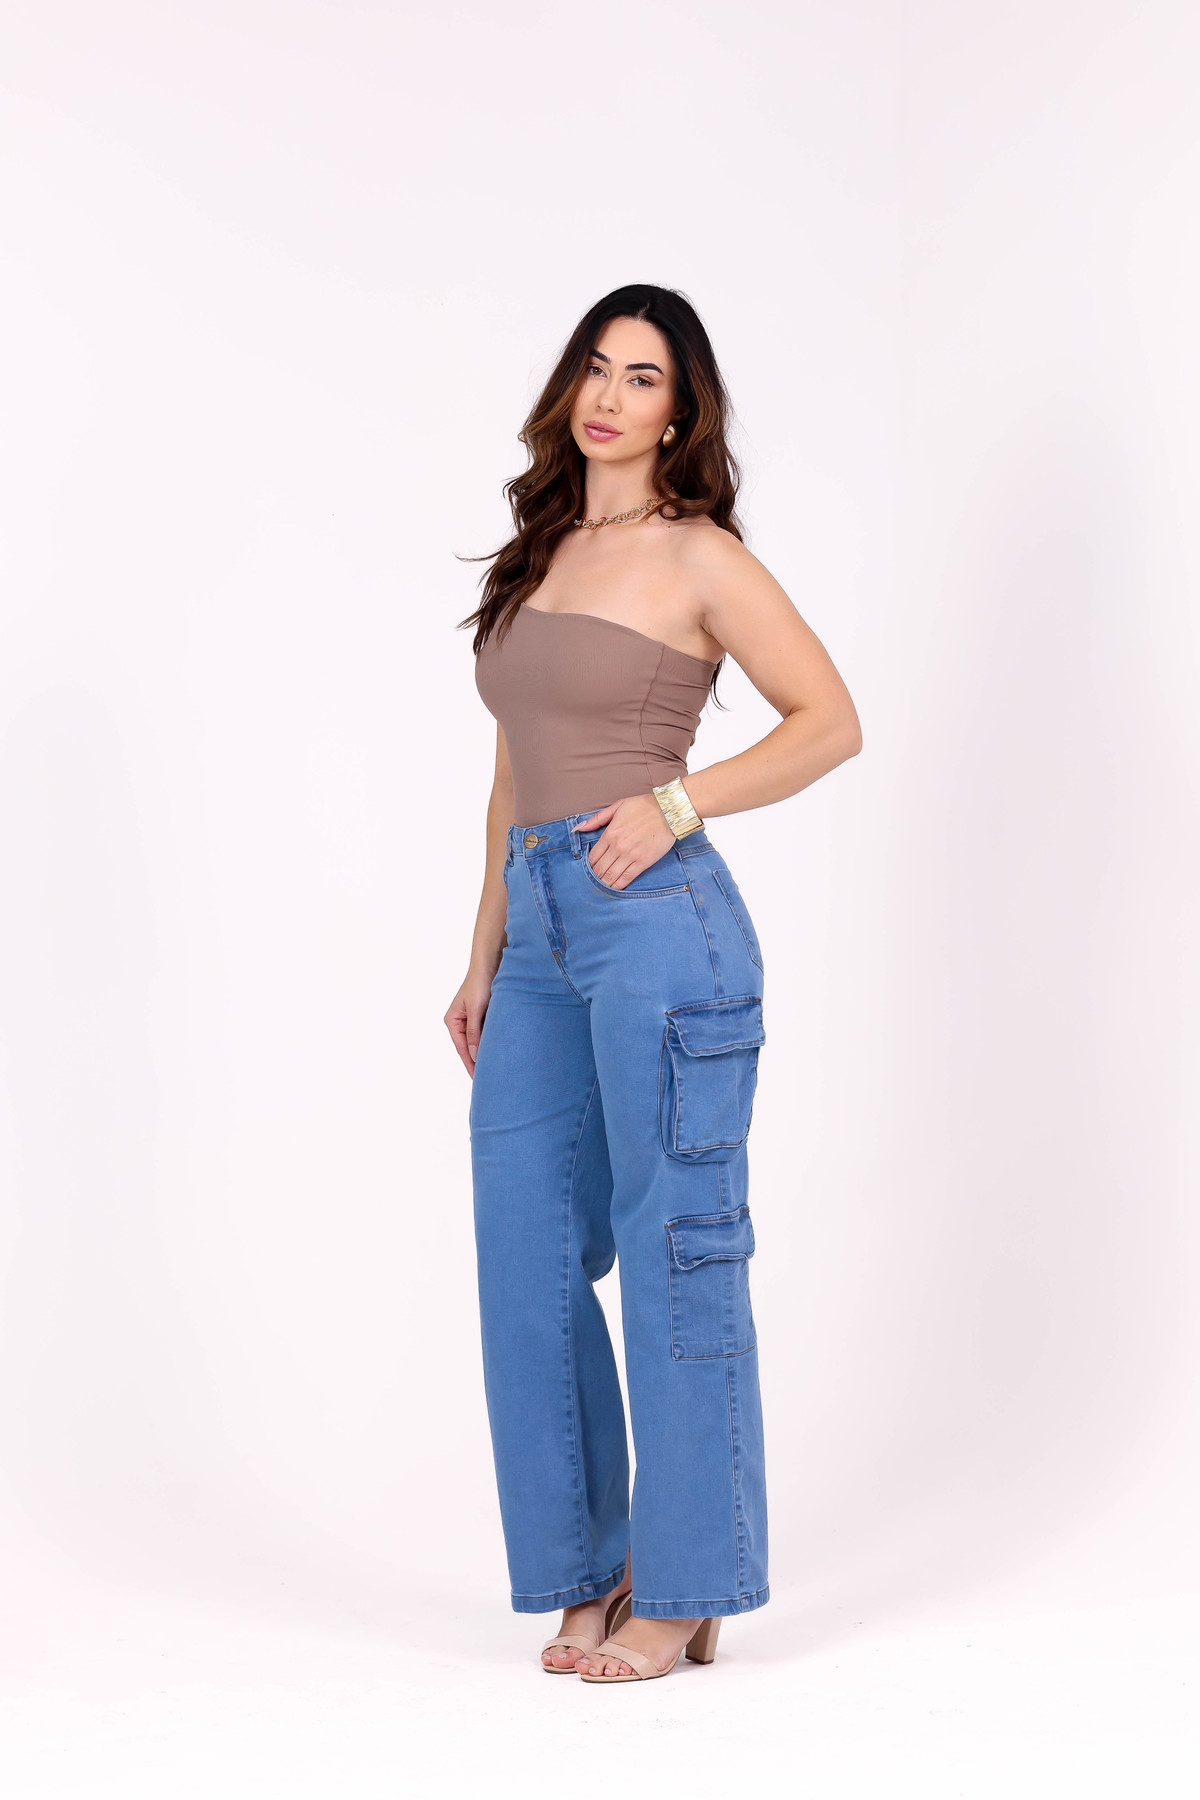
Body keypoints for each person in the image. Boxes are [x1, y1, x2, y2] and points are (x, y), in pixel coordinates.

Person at [446, 284, 862, 1683]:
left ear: (680, 413)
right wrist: (485, 948)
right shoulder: (543, 551)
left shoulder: (700, 555)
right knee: (526, 1254)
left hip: (659, 924)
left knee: (678, 1238)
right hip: (541, 931)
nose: (612, 396)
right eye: (597, 367)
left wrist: (678, 802)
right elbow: (510, 773)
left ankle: (686, 1589)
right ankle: (590, 1569)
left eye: (644, 377)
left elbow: (830, 722)